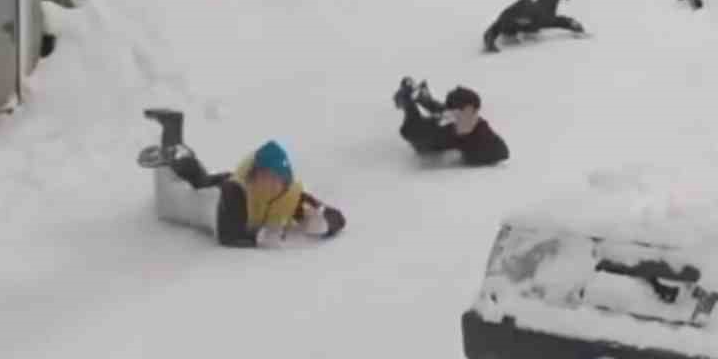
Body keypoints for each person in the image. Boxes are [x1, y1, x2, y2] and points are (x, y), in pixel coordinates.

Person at [139, 113, 345, 247]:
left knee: (197, 178)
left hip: (224, 185)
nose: (271, 184)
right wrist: (259, 237)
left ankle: (176, 144)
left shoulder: (291, 197)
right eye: (265, 177)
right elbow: (227, 234)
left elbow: (337, 217)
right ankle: (173, 154)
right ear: (254, 177)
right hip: (216, 194)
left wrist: (325, 224)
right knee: (183, 191)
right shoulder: (236, 192)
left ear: (285, 180)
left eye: (277, 179)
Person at [393, 79, 509, 167]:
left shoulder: (481, 130)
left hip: (436, 141)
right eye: (456, 113)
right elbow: (408, 131)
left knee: (436, 118)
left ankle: (422, 99)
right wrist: (410, 107)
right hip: (431, 139)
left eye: (472, 112)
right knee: (433, 119)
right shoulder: (446, 125)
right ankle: (420, 99)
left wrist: (463, 155)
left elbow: (503, 152)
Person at [482, 0, 585, 52]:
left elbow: (558, 21)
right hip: (533, 6)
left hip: (536, 8)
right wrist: (489, 43)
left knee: (549, 3)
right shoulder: (508, 20)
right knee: (549, 1)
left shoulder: (537, 18)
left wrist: (572, 24)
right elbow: (491, 32)